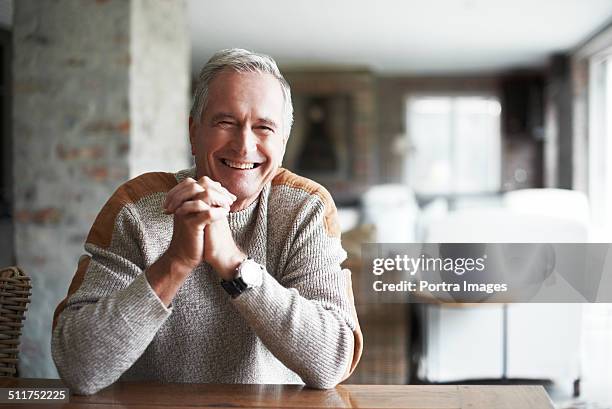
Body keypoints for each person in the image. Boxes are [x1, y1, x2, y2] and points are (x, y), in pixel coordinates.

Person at [51, 48, 362, 395]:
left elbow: (332, 360)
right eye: (226, 122)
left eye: (264, 127)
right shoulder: (136, 208)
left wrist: (233, 264)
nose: (245, 145)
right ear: (193, 131)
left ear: (283, 143)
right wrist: (176, 262)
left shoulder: (305, 209)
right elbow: (78, 366)